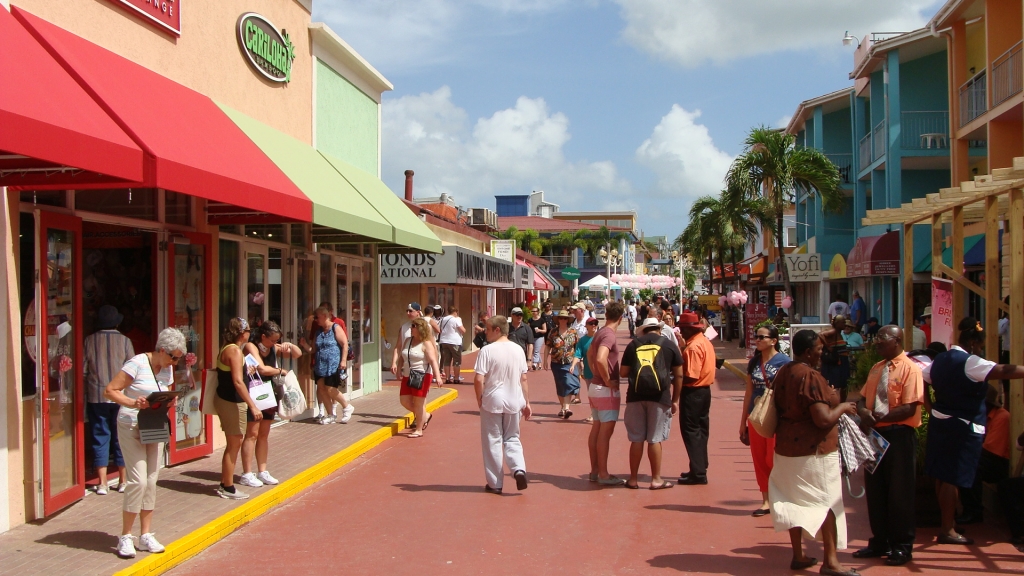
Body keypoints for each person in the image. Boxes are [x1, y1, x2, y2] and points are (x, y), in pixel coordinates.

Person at [923, 316, 1024, 545]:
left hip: (940, 422)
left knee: (941, 476)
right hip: (962, 426)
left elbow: (924, 378)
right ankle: (947, 529)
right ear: (972, 343)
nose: (981, 349)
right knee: (951, 477)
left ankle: (946, 522)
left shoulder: (940, 360)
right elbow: (1004, 371)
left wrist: (931, 408)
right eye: (980, 345)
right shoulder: (971, 363)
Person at [769, 329, 858, 575]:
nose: (822, 354)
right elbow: (823, 418)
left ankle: (798, 554)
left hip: (786, 447)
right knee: (826, 503)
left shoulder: (784, 371)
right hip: (813, 451)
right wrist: (842, 407)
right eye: (819, 350)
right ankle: (831, 562)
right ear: (808, 352)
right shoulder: (810, 376)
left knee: (792, 501)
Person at [104, 327, 187, 558]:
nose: (175, 362)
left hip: (155, 425)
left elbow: (164, 392)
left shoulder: (167, 370)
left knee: (152, 480)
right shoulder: (137, 364)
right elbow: (110, 391)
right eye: (173, 357)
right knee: (138, 480)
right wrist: (132, 402)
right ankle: (125, 536)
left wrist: (169, 400)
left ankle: (146, 534)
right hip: (132, 424)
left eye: (178, 358)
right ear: (162, 350)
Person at [853, 326, 924, 566]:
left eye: (882, 339)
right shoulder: (876, 368)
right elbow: (863, 398)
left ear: (897, 340)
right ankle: (880, 540)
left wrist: (878, 417)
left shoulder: (910, 369)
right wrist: (863, 412)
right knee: (876, 491)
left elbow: (909, 407)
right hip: (875, 438)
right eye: (876, 339)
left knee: (900, 494)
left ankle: (902, 545)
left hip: (899, 436)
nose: (877, 343)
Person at [620, 316, 683, 489]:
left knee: (636, 438)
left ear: (644, 330)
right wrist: (675, 399)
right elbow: (679, 375)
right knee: (655, 439)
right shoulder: (669, 345)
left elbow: (623, 372)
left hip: (635, 396)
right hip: (660, 397)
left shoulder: (634, 344)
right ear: (659, 329)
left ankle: (633, 479)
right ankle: (656, 479)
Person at [238, 321, 301, 488]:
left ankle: (262, 470)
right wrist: (281, 371)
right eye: (272, 340)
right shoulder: (251, 346)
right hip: (254, 393)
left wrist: (289, 345)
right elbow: (262, 369)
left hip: (269, 394)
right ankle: (246, 473)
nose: (274, 344)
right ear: (263, 336)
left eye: (276, 341)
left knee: (264, 434)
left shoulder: (273, 347)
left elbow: (297, 354)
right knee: (252, 433)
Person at [474, 315, 532, 494]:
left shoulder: (487, 350)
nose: (486, 333)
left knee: (493, 440)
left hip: (493, 399)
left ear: (497, 330)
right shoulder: (518, 350)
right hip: (514, 399)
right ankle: (518, 468)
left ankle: (495, 483)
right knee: (512, 437)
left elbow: (478, 378)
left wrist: (479, 399)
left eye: (488, 329)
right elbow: (523, 378)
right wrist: (527, 402)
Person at [740, 324, 790, 517]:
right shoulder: (754, 362)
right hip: (756, 417)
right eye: (756, 337)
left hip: (776, 418)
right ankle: (766, 500)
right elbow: (749, 393)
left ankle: (781, 498)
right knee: (760, 459)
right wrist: (742, 422)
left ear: (774, 341)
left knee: (773, 459)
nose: (758, 340)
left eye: (762, 337)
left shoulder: (784, 363)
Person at [84, 305, 133, 495]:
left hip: (97, 396)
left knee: (100, 436)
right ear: (117, 322)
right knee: (120, 436)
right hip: (120, 396)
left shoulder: (89, 341)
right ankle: (122, 480)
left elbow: (82, 370)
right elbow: (132, 371)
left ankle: (102, 482)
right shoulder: (125, 341)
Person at [214, 318, 261, 501]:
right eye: (249, 331)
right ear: (243, 333)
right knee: (234, 444)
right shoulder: (234, 350)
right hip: (231, 402)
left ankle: (225, 482)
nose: (250, 334)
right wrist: (252, 405)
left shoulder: (229, 349)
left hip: (228, 400)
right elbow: (237, 382)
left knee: (234, 443)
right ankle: (227, 486)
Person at [957, 385, 1010, 525]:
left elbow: (991, 449)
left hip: (998, 460)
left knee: (970, 466)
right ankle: (968, 509)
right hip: (982, 455)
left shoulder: (1002, 416)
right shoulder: (980, 416)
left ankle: (974, 511)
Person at [587, 302, 626, 485]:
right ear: (621, 317)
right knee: (605, 432)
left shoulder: (600, 332)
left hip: (595, 387)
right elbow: (601, 357)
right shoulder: (609, 335)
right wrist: (607, 379)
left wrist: (595, 371)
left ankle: (595, 469)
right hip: (605, 388)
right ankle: (603, 473)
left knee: (596, 428)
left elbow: (590, 354)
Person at [677, 311, 716, 485]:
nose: (682, 332)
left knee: (691, 431)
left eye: (683, 329)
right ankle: (698, 465)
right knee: (701, 430)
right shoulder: (704, 342)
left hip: (693, 391)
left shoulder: (693, 347)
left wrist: (674, 380)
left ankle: (699, 472)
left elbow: (691, 375)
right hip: (704, 391)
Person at [397, 318, 442, 438]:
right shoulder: (408, 340)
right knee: (404, 400)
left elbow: (433, 361)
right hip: (407, 375)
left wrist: (438, 376)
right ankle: (425, 415)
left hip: (421, 375)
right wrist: (398, 367)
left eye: (413, 326)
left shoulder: (426, 343)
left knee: (418, 403)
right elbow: (402, 356)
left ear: (420, 328)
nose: (411, 328)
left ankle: (419, 429)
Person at [312, 306, 355, 424]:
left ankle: (347, 407)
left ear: (325, 316)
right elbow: (313, 348)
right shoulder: (319, 331)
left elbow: (345, 344)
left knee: (331, 389)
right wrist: (304, 345)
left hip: (333, 364)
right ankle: (330, 414)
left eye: (317, 317)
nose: (316, 320)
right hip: (320, 365)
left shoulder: (335, 328)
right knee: (321, 388)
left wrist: (343, 360)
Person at [547, 310, 580, 419]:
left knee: (568, 382)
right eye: (561, 318)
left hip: (569, 362)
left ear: (568, 320)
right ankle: (563, 408)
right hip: (556, 362)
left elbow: (577, 347)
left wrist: (579, 360)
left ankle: (566, 408)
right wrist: (544, 360)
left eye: (565, 318)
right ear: (558, 320)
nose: (563, 320)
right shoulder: (553, 332)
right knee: (560, 385)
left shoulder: (573, 332)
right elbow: (548, 346)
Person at [819, 316, 851, 401]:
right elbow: (820, 334)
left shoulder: (839, 333)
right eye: (843, 322)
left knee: (844, 385)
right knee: (837, 385)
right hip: (836, 363)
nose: (845, 324)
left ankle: (842, 403)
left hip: (842, 362)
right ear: (837, 323)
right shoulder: (833, 331)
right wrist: (828, 346)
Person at [438, 305, 466, 384]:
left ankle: (447, 378)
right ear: (455, 312)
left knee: (447, 360)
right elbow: (462, 330)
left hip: (444, 341)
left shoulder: (443, 319)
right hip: (454, 342)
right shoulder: (456, 319)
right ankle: (456, 378)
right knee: (457, 361)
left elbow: (440, 329)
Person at [529, 305, 548, 371]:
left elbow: (545, 330)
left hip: (539, 337)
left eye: (535, 311)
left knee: (536, 351)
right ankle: (539, 364)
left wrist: (539, 330)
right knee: (534, 351)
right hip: (532, 337)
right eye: (532, 311)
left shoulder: (542, 320)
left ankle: (534, 363)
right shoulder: (530, 320)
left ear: (538, 312)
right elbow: (528, 328)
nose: (533, 312)